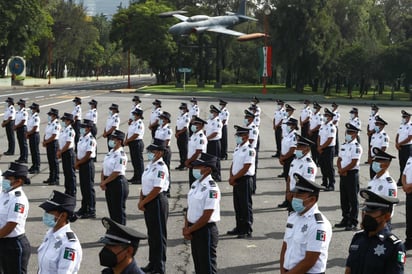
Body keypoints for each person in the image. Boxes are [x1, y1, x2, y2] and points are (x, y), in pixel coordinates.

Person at [280, 174, 332, 274]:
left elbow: (310, 260)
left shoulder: (319, 225)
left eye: (299, 196)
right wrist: (283, 271)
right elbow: (285, 247)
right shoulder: (293, 217)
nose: (294, 198)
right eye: (294, 195)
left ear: (312, 199)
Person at [345, 190, 405, 274]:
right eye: (366, 212)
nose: (366, 216)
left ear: (386, 216)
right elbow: (349, 269)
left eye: (371, 212)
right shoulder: (358, 237)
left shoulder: (394, 246)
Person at [183, 153, 221, 274]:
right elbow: (190, 207)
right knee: (199, 267)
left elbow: (207, 215)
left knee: (207, 268)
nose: (195, 169)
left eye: (198, 166)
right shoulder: (196, 184)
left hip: (206, 231)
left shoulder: (212, 189)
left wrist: (190, 229)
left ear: (208, 169)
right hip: (194, 229)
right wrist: (186, 227)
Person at [138, 139, 169, 274]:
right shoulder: (150, 165)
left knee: (159, 235)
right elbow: (144, 185)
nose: (150, 153)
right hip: (148, 200)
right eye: (150, 151)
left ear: (160, 152)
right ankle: (152, 263)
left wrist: (143, 202)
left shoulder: (161, 167)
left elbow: (157, 188)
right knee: (152, 234)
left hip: (156, 201)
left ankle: (159, 267)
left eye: (153, 151)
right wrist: (141, 199)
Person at [38, 190, 82, 273]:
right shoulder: (51, 233)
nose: (45, 214)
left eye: (49, 212)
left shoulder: (69, 245)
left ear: (63, 215)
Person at [0, 162, 31, 273]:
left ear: (19, 181)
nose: (5, 179)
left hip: (14, 245)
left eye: (9, 178)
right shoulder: (5, 193)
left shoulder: (19, 200)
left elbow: (11, 225)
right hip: (3, 241)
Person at [227, 125, 255, 238]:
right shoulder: (238, 147)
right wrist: (231, 176)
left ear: (246, 136)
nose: (238, 137)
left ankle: (247, 229)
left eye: (240, 135)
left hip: (245, 179)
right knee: (237, 205)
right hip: (236, 178)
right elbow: (234, 163)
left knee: (245, 205)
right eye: (237, 135)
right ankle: (239, 227)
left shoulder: (250, 150)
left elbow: (246, 167)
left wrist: (234, 178)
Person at [336, 123, 363, 231]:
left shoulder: (356, 147)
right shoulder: (344, 145)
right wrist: (340, 169)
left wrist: (343, 170)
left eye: (351, 132)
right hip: (343, 174)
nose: (348, 134)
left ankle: (353, 221)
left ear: (356, 134)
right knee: (344, 198)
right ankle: (345, 218)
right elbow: (339, 159)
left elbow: (354, 162)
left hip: (351, 174)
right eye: (347, 132)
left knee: (353, 199)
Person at [281, 134, 317, 209]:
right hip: (291, 196)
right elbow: (289, 178)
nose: (297, 149)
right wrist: (288, 192)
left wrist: (293, 194)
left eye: (300, 147)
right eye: (297, 147)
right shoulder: (295, 160)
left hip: (301, 199)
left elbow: (307, 185)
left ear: (307, 149)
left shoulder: (309, 165)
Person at [100, 130, 129, 225]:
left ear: (120, 141)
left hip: (118, 183)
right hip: (109, 182)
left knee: (118, 211)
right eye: (111, 139)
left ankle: (122, 235)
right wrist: (102, 181)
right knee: (112, 209)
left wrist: (104, 182)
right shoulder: (110, 152)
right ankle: (114, 233)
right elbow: (104, 167)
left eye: (114, 139)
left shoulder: (121, 155)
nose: (111, 140)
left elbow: (117, 172)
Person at [75, 119, 97, 219]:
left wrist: (78, 163)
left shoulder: (91, 140)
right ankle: (84, 207)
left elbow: (88, 154)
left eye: (84, 127)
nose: (82, 129)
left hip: (87, 164)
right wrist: (77, 161)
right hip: (81, 163)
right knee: (83, 187)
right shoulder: (81, 138)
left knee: (89, 188)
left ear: (89, 128)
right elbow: (78, 151)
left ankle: (91, 209)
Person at [277, 118, 298, 207]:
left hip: (290, 159)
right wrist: (281, 156)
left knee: (291, 181)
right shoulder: (287, 135)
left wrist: (283, 158)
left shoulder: (294, 136)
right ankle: (287, 199)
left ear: (293, 126)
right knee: (287, 180)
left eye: (289, 125)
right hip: (285, 158)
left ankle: (291, 200)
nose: (287, 126)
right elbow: (284, 148)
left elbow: (292, 150)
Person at [57, 113, 77, 196]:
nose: (63, 121)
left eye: (64, 120)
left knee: (70, 173)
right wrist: (59, 150)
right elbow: (61, 142)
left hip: (68, 153)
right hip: (63, 152)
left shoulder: (70, 131)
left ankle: (72, 191)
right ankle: (67, 189)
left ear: (69, 121)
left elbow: (68, 143)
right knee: (66, 172)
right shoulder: (64, 129)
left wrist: (60, 152)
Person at [185, 116, 208, 186]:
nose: (193, 126)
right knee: (192, 183)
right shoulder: (194, 135)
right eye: (193, 124)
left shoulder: (201, 137)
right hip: (192, 161)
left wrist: (188, 161)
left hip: (197, 163)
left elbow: (198, 152)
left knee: (196, 183)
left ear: (201, 126)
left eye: (196, 124)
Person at [317, 108, 336, 191]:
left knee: (329, 166)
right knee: (322, 165)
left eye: (327, 116)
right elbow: (319, 137)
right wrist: (318, 146)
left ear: (331, 118)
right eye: (324, 115)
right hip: (321, 148)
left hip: (328, 149)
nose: (325, 117)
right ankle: (324, 181)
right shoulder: (323, 125)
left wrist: (321, 147)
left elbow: (330, 139)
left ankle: (331, 183)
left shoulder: (332, 127)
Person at [124, 109, 145, 184]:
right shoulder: (133, 123)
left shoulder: (139, 123)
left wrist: (127, 140)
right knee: (134, 161)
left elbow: (136, 134)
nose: (133, 115)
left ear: (139, 115)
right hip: (132, 142)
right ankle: (135, 176)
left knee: (138, 162)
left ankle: (140, 178)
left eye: (135, 114)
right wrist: (126, 139)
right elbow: (129, 132)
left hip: (137, 143)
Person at [43, 108, 61, 185]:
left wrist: (46, 141)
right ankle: (51, 177)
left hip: (53, 143)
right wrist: (44, 140)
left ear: (54, 116)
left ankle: (56, 178)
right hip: (48, 143)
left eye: (50, 115)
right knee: (50, 161)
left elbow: (54, 136)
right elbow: (46, 133)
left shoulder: (56, 124)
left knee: (54, 162)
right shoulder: (49, 123)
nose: (49, 116)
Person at [244, 109, 259, 193]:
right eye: (245, 116)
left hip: (251, 150)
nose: (245, 118)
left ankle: (252, 188)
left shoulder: (253, 128)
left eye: (248, 117)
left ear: (252, 118)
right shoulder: (247, 126)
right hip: (246, 149)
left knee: (252, 170)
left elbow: (251, 140)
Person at [205, 105, 222, 182]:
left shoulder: (217, 122)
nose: (211, 113)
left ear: (217, 113)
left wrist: (206, 138)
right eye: (211, 112)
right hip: (208, 142)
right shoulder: (209, 121)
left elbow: (215, 133)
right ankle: (210, 174)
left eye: (213, 112)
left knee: (216, 159)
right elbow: (205, 130)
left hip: (215, 142)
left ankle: (217, 175)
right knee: (209, 159)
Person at [395, 110, 412, 186]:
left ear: (409, 117)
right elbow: (398, 134)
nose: (404, 118)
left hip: (407, 147)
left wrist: (399, 143)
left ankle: (406, 180)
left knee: (406, 165)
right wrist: (396, 143)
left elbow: (409, 138)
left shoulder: (410, 126)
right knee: (401, 164)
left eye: (405, 117)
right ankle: (401, 180)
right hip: (400, 147)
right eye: (403, 117)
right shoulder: (402, 125)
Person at [26, 102, 41, 174]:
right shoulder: (31, 116)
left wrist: (28, 133)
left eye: (32, 108)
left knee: (35, 152)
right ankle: (34, 165)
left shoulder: (36, 117)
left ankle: (37, 167)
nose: (31, 109)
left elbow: (35, 128)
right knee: (32, 151)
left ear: (35, 109)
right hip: (31, 135)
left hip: (34, 135)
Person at [401, 155, 412, 250]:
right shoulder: (410, 158)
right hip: (409, 193)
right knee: (409, 218)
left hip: (410, 189)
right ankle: (409, 241)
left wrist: (409, 187)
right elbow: (404, 174)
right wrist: (404, 185)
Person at [175, 103, 189, 170]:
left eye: (182, 108)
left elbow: (185, 128)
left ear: (186, 109)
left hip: (183, 134)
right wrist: (176, 133)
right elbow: (177, 125)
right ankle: (181, 163)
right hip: (179, 134)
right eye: (180, 108)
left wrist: (178, 133)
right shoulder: (179, 116)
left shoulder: (186, 117)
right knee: (180, 150)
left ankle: (185, 164)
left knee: (184, 150)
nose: (181, 110)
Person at [14, 99, 28, 163]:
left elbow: (23, 121)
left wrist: (16, 126)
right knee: (20, 143)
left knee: (23, 143)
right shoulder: (19, 111)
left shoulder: (24, 112)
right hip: (18, 128)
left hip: (22, 128)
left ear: (23, 105)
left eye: (20, 104)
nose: (19, 105)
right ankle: (22, 156)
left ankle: (25, 157)